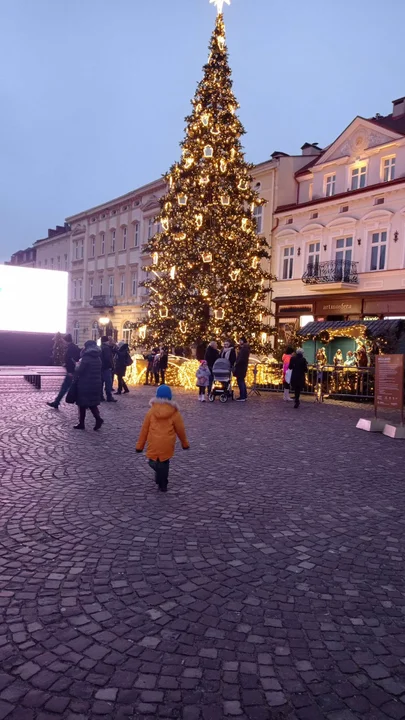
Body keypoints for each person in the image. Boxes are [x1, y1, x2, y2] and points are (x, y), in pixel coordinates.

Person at [136, 384, 190, 493]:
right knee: (164, 463)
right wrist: (184, 443)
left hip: (153, 442)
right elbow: (180, 430)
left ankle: (160, 478)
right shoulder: (175, 412)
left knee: (153, 461)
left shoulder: (151, 411)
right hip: (167, 443)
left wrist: (140, 446)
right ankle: (163, 483)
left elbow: (144, 429)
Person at [73, 340, 104, 430]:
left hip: (85, 383)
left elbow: (80, 370)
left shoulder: (86, 357)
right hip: (96, 383)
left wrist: (77, 365)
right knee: (92, 403)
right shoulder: (98, 357)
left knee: (82, 403)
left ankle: (81, 423)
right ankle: (98, 419)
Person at [47, 334, 80, 409]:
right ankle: (56, 402)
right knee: (72, 387)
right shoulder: (73, 347)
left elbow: (71, 360)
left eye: (64, 340)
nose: (63, 342)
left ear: (66, 340)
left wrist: (70, 371)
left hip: (71, 372)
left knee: (65, 387)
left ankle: (56, 402)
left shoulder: (71, 348)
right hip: (72, 371)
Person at [100, 335, 117, 403]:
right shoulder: (106, 348)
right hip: (106, 368)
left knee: (101, 383)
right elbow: (108, 358)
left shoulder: (101, 347)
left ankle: (100, 396)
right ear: (106, 341)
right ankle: (109, 397)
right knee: (108, 383)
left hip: (101, 368)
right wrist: (112, 366)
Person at [234, 337, 250, 402]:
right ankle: (244, 395)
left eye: (241, 340)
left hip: (241, 367)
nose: (239, 342)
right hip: (242, 367)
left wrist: (237, 363)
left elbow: (242, 358)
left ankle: (242, 396)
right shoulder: (244, 348)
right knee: (241, 381)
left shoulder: (244, 349)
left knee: (240, 381)